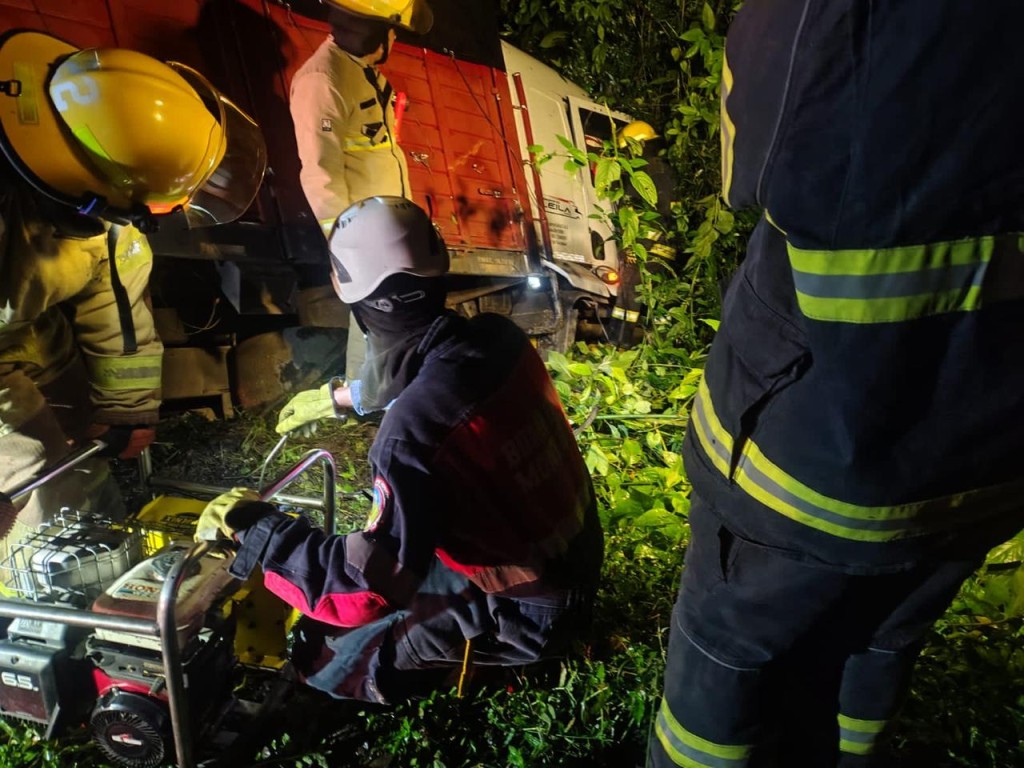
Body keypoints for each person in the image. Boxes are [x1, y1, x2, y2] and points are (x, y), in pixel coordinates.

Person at [648, 2, 1024, 767]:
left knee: (722, 666)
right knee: (884, 640)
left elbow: (754, 163)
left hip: (812, 458)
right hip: (989, 463)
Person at [196, 196, 602, 703]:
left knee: (326, 654)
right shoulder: (500, 340)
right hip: (572, 558)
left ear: (352, 296)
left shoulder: (410, 436)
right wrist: (339, 398)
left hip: (526, 612)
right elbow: (425, 364)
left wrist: (257, 530)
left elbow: (364, 590)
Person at [0, 31, 266, 543]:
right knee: (38, 477)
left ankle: (96, 552)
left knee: (82, 462)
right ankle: (46, 600)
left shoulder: (100, 184)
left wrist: (127, 411)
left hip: (36, 343)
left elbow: (114, 302)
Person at [290, 0, 431, 386]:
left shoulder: (359, 74)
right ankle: (373, 410)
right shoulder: (324, 79)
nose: (394, 40)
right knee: (380, 332)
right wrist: (345, 249)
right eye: (392, 31)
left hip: (388, 233)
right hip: (366, 239)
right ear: (375, 32)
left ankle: (372, 406)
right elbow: (321, 175)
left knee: (385, 334)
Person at [605, 120, 677, 349]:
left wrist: (636, 247)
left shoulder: (646, 171)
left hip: (649, 245)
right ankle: (662, 346)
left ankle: (619, 343)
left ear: (637, 146)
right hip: (663, 245)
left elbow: (654, 213)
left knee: (629, 294)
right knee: (658, 299)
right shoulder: (662, 168)